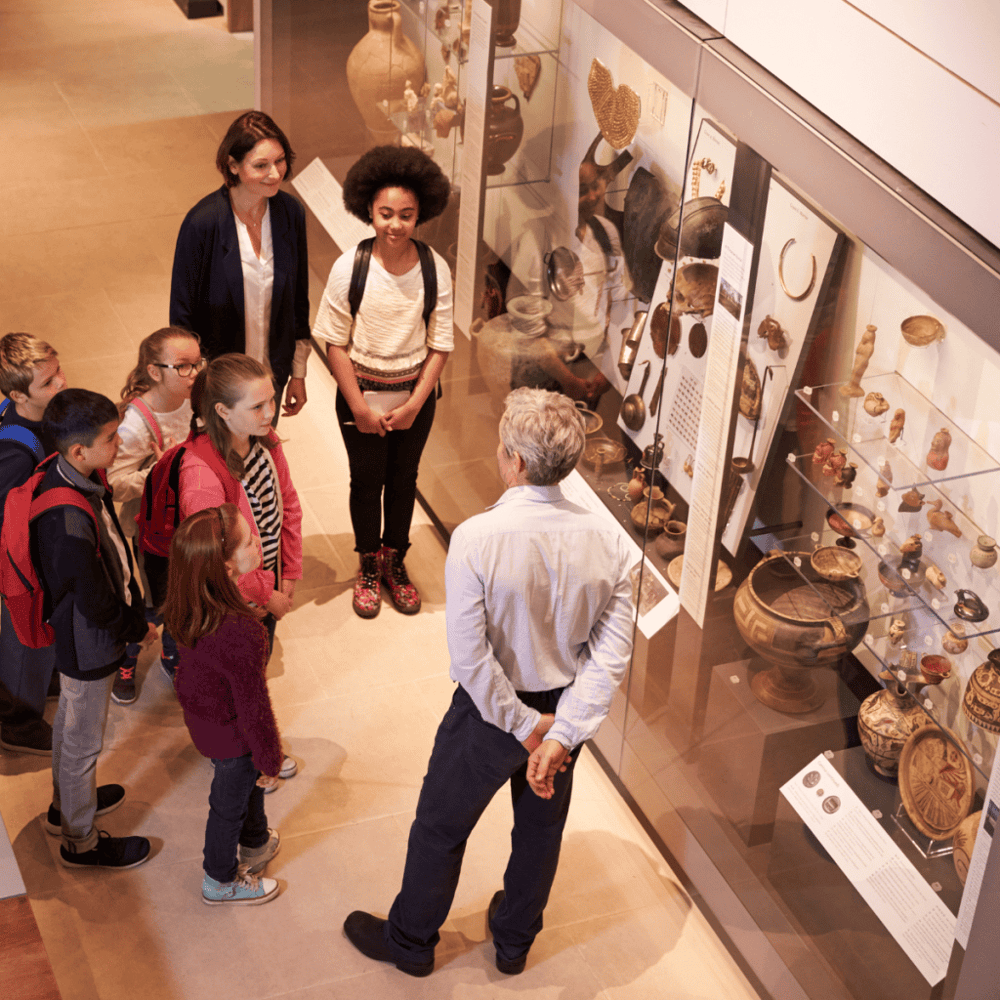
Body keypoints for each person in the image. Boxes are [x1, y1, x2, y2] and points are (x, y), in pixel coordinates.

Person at [343, 388, 634, 977]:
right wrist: (560, 734)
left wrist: (526, 726)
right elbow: (611, 655)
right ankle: (514, 943)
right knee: (539, 833)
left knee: (441, 826)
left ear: (517, 462)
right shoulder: (612, 543)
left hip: (491, 713)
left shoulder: (478, 538)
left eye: (503, 448)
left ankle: (411, 940)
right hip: (562, 713)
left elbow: (472, 659)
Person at [313, 145, 453, 619]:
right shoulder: (348, 268)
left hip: (415, 400)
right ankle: (368, 564)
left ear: (422, 214)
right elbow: (333, 343)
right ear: (368, 211)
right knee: (365, 481)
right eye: (386, 214)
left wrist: (414, 404)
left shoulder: (435, 268)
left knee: (404, 480)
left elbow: (441, 343)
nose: (395, 225)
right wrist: (358, 407)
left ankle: (397, 562)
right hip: (360, 399)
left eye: (406, 215)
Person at [35, 389, 158, 868]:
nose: (119, 443)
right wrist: (135, 628)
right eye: (111, 438)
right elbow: (94, 598)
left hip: (78, 636)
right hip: (88, 641)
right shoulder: (67, 518)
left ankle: (64, 806)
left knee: (70, 721)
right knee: (83, 739)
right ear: (78, 451)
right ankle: (79, 841)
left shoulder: (68, 475)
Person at [178, 354, 301, 788]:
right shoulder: (202, 477)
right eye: (258, 406)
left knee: (254, 674)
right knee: (240, 688)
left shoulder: (265, 440)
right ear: (222, 412)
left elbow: (288, 506)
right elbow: (218, 562)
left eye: (272, 400)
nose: (270, 413)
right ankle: (245, 756)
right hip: (235, 603)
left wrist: (289, 573)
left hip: (265, 587)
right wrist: (269, 598)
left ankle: (251, 746)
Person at [162, 504, 283, 905]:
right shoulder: (241, 631)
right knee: (228, 805)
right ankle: (219, 879)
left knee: (242, 787)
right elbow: (255, 707)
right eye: (249, 540)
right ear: (227, 568)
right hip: (232, 734)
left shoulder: (189, 602)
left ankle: (256, 843)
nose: (257, 542)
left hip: (204, 720)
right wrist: (270, 759)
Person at [170, 111, 311, 421]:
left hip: (270, 378)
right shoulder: (202, 224)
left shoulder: (290, 213)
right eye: (261, 165)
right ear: (232, 165)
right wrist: (193, 386)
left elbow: (299, 300)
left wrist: (298, 372)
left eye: (280, 161)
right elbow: (181, 319)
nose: (275, 174)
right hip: (220, 386)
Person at [107, 327, 204, 705]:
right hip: (153, 532)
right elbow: (113, 484)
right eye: (182, 366)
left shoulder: (194, 398)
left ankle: (171, 653)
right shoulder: (134, 425)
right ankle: (127, 661)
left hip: (191, 520)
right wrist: (159, 469)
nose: (194, 373)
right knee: (153, 602)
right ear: (153, 371)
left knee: (185, 597)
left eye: (197, 363)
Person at [0, 332, 67, 755]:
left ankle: (45, 682)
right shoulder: (16, 450)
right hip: (21, 566)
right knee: (23, 641)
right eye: (48, 383)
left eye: (57, 372)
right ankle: (17, 723)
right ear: (16, 395)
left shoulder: (27, 417)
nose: (61, 383)